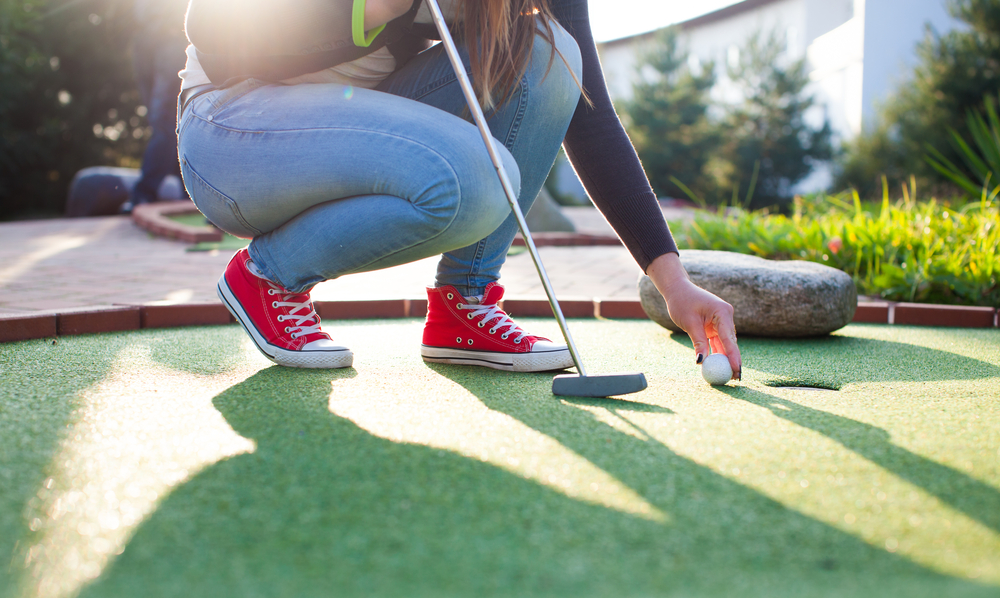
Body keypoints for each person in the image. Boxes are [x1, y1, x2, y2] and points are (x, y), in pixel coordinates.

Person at [177, 0, 742, 379]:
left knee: (549, 54)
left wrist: (673, 284)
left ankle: (463, 305)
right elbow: (213, 29)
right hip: (230, 131)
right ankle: (267, 275)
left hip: (352, 125)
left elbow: (588, 115)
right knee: (475, 180)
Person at [124, 0, 189, 212]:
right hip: (144, 40)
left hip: (170, 39)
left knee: (165, 120)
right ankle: (186, 191)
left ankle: (144, 192)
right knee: (160, 122)